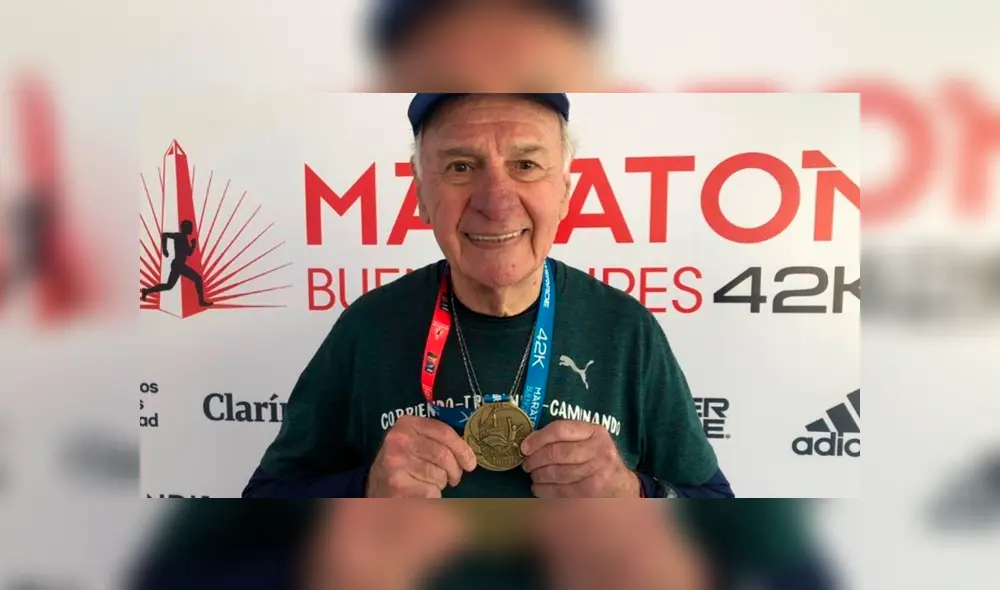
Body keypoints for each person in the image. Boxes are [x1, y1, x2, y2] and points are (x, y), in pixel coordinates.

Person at [243, 92, 734, 499]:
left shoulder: (625, 328)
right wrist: (364, 491)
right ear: (419, 194)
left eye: (525, 164)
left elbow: (720, 512)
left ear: (564, 191)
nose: (496, 202)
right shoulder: (369, 327)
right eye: (460, 167)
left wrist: (637, 495)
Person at [141, 219, 212, 307]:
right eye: (190, 227)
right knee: (197, 279)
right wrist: (193, 245)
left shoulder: (178, 236)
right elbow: (189, 253)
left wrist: (165, 249)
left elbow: (165, 235)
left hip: (177, 265)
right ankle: (201, 301)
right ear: (186, 228)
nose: (192, 229)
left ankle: (146, 291)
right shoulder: (182, 238)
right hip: (179, 265)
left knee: (168, 286)